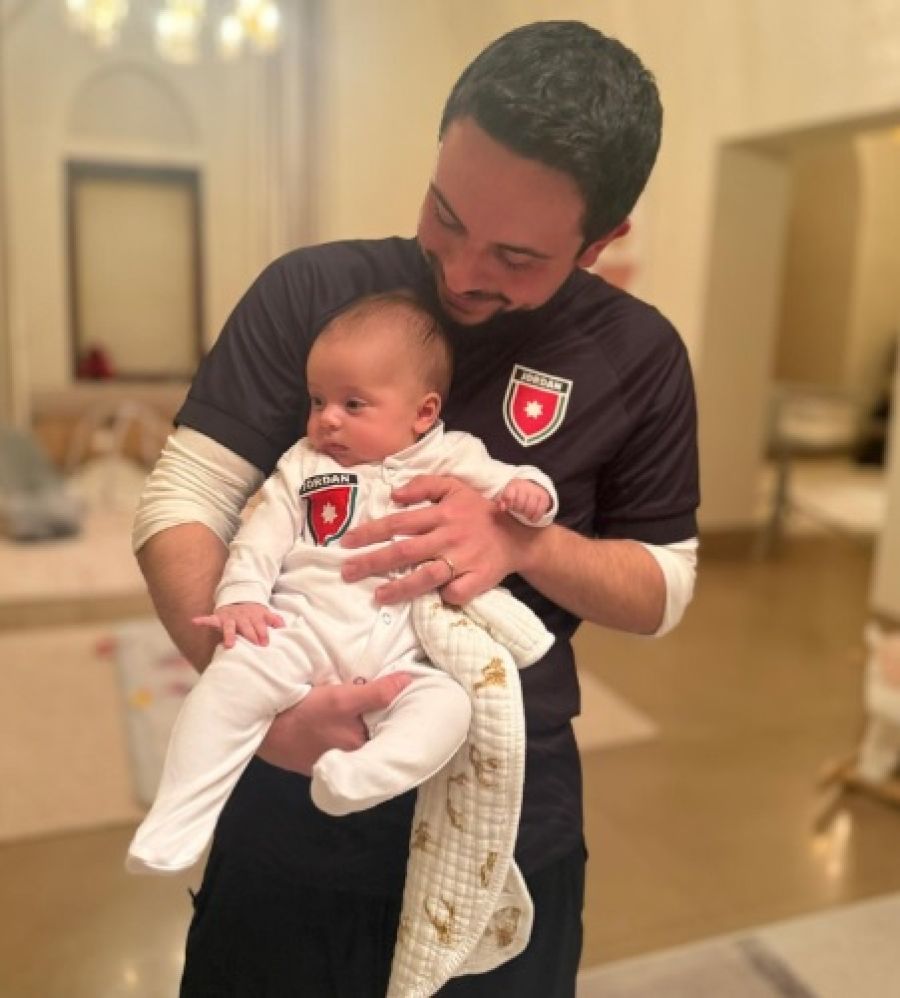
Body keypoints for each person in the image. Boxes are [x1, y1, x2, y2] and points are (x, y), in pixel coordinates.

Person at [134, 19, 700, 997]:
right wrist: (265, 704)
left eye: (515, 254)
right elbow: (186, 494)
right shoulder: (313, 292)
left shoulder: (640, 357)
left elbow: (665, 586)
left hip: (509, 812)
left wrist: (524, 543)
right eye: (446, 213)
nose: (464, 270)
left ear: (601, 242)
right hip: (288, 809)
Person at [126, 291, 556, 875]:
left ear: (422, 413)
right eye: (318, 400)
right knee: (230, 679)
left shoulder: (452, 455)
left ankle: (360, 776)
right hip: (300, 631)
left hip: (401, 653)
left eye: (353, 404)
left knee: (449, 707)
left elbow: (512, 482)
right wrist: (241, 598)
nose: (327, 418)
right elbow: (260, 536)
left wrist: (532, 496)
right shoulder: (303, 465)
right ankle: (175, 825)